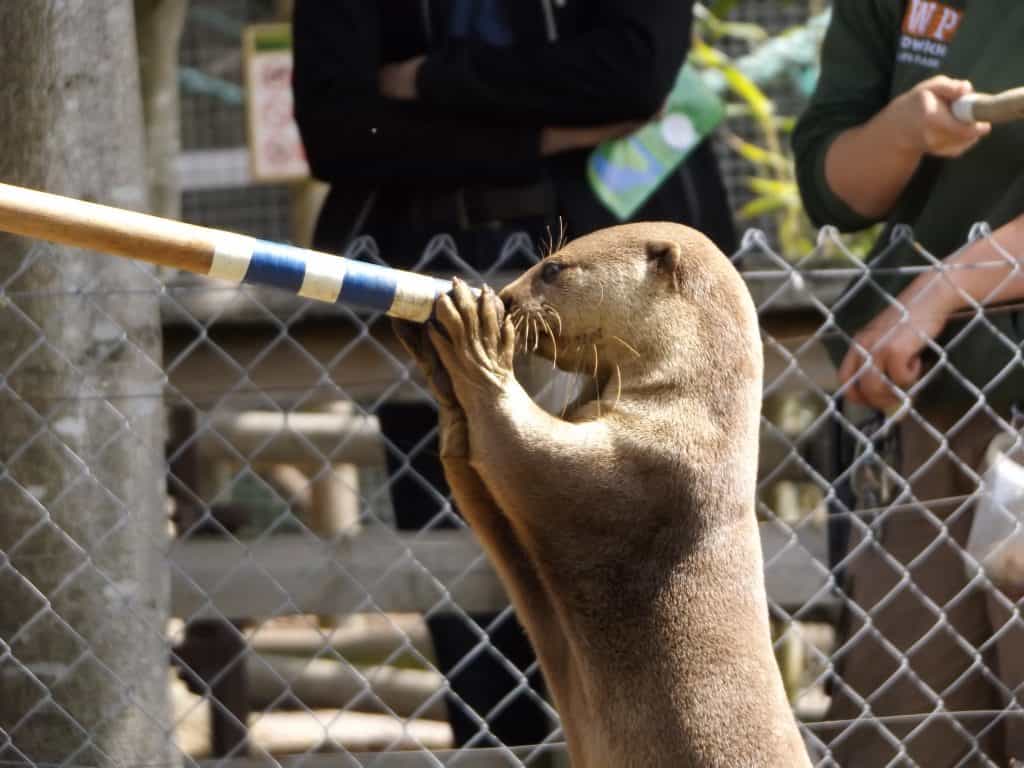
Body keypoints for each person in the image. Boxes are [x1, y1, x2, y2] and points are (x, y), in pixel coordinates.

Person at [292, 0, 736, 751]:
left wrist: (429, 79)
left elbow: (632, 77)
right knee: (465, 576)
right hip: (430, 300)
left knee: (646, 577)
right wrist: (540, 134)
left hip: (623, 301)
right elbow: (339, 129)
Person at [793, 2, 1024, 765]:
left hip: (944, 340)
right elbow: (832, 188)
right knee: (908, 729)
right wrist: (901, 130)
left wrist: (943, 288)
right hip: (938, 407)